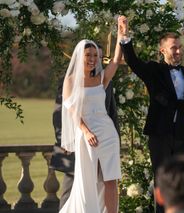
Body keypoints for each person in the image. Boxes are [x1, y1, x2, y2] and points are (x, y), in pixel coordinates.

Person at [118, 16, 184, 212]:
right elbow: (132, 61)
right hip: (159, 135)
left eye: (180, 47)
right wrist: (124, 37)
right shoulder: (153, 71)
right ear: (162, 50)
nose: (178, 51)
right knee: (163, 180)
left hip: (183, 135)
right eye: (174, 47)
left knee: (182, 180)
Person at [59, 17, 123, 213]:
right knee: (87, 181)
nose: (93, 59)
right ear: (80, 56)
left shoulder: (101, 78)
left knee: (111, 179)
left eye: (95, 55)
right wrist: (85, 132)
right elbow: (72, 110)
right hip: (86, 134)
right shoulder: (70, 81)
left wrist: (122, 33)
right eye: (88, 55)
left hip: (108, 133)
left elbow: (116, 61)